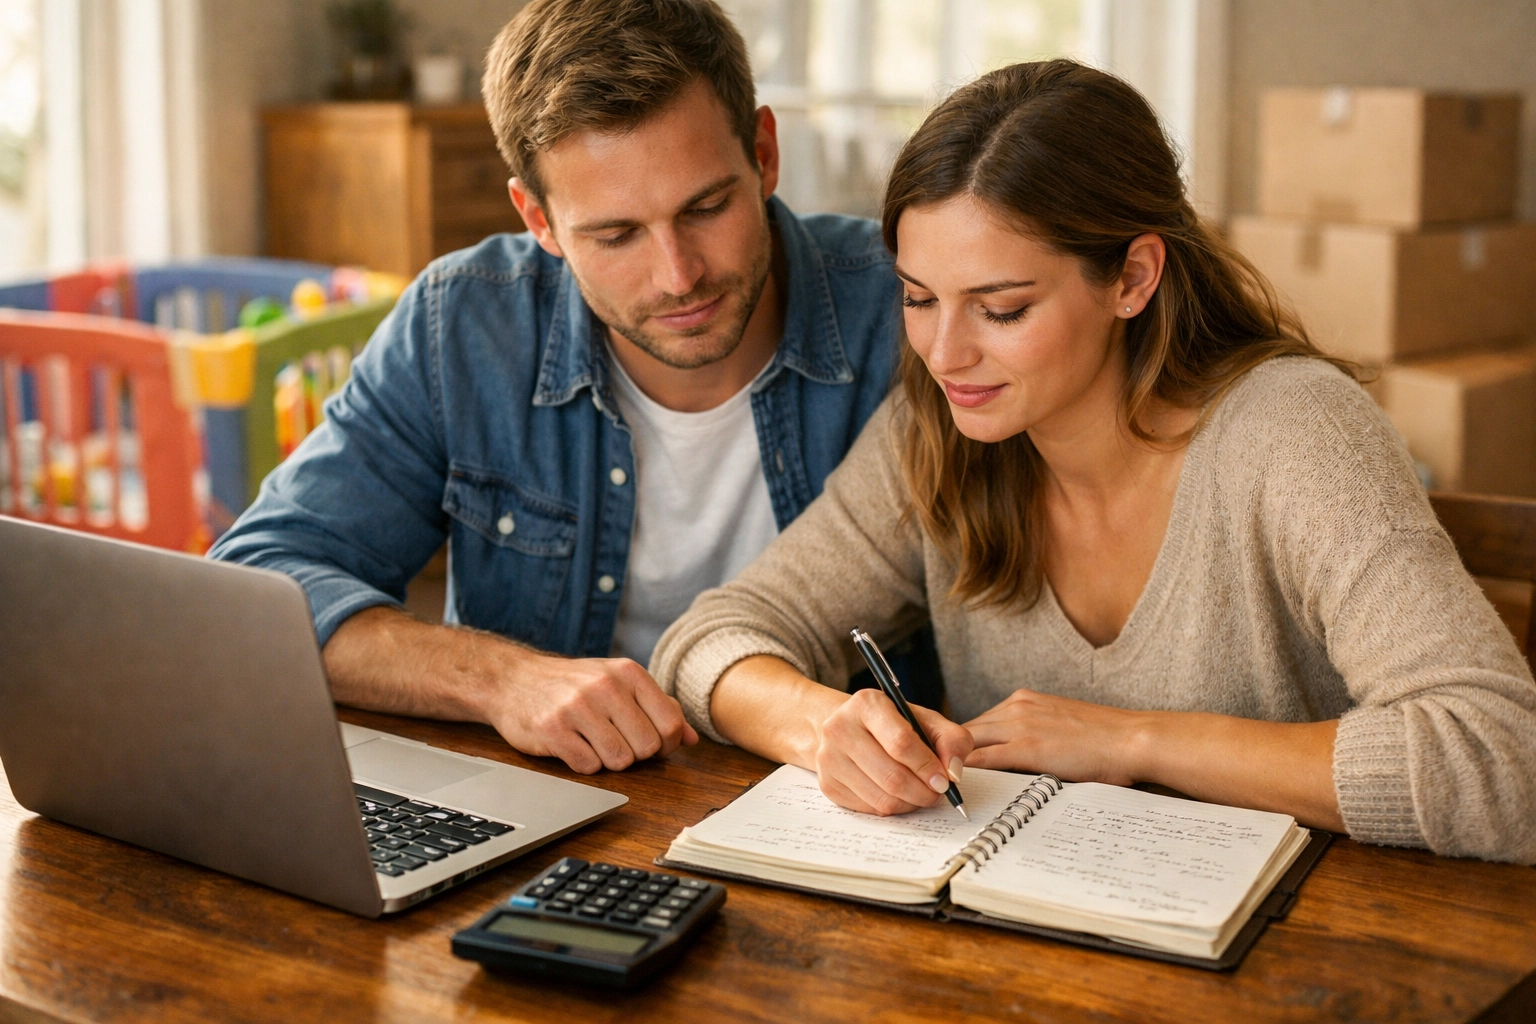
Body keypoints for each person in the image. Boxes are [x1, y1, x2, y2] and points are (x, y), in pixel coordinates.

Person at [650, 59, 1536, 862]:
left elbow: (1499, 754)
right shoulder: (940, 428)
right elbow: (707, 643)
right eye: (920, 299)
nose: (944, 353)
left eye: (1000, 308)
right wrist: (824, 728)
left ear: (1132, 278)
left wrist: (1131, 741)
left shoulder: (1294, 434)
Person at [210, 0, 903, 775]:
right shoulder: (463, 323)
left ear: (765, 155)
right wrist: (502, 680)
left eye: (706, 207)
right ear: (538, 219)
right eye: (615, 235)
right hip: (560, 803)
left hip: (837, 811)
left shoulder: (908, 308)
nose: (678, 276)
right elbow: (258, 586)